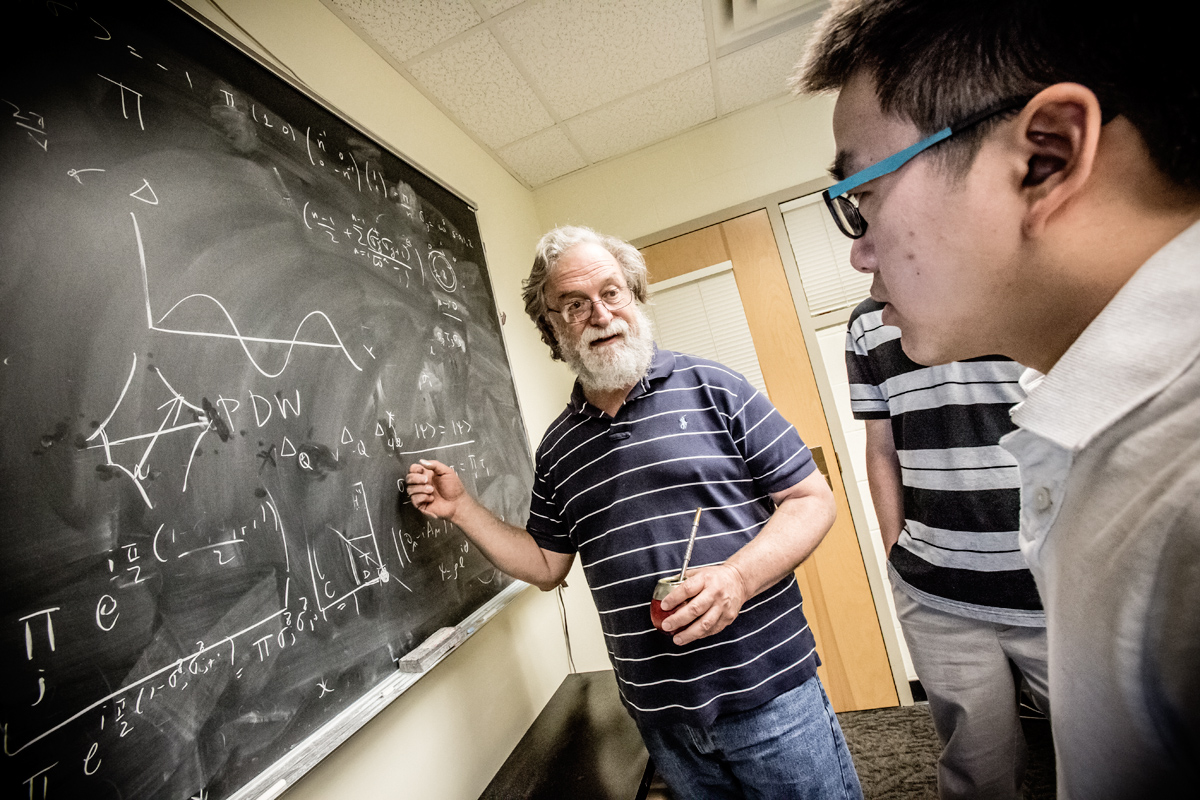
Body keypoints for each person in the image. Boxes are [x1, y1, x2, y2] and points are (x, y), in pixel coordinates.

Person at [794, 2, 1200, 797]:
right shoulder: (1102, 430)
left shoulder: (1176, 490)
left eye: (863, 194)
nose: (858, 252)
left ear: (1044, 157)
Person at [406, 225, 862, 799]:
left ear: (634, 298)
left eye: (612, 292)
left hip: (766, 692)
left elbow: (811, 499)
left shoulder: (716, 387)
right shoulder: (558, 448)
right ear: (553, 327)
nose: (600, 314)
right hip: (660, 718)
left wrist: (738, 578)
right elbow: (548, 566)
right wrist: (463, 508)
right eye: (574, 304)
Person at [847, 297, 1049, 799]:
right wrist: (896, 554)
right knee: (978, 771)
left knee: (1118, 761)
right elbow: (882, 446)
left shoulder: (1023, 282)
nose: (862, 252)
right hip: (935, 589)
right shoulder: (866, 323)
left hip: (1055, 580)